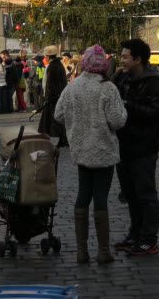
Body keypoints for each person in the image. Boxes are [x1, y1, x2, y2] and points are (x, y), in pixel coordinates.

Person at [55, 44, 127, 265]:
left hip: (81, 149)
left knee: (83, 194)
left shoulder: (72, 87)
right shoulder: (108, 88)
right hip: (103, 149)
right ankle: (103, 251)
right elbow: (118, 121)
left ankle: (81, 251)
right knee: (101, 198)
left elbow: (58, 114)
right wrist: (123, 109)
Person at [112, 38, 159, 256]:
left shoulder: (155, 83)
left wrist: (130, 106)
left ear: (138, 59)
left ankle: (149, 239)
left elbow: (158, 113)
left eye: (125, 57)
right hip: (122, 147)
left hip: (144, 148)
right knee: (130, 194)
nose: (122, 61)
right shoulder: (120, 78)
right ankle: (135, 234)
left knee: (146, 194)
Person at [38, 46, 67, 143]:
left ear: (47, 56)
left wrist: (48, 98)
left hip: (53, 97)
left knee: (53, 120)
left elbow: (50, 84)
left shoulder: (53, 66)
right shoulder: (58, 65)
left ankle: (56, 138)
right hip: (56, 95)